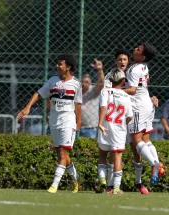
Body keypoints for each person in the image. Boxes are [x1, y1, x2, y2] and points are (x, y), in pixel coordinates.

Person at [17, 54, 82, 194]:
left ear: (68, 67)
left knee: (63, 152)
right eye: (57, 64)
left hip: (68, 120)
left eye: (60, 64)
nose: (57, 66)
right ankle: (76, 180)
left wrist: (79, 121)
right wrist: (28, 107)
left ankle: (54, 185)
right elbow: (38, 93)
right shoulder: (53, 81)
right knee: (61, 154)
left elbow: (78, 104)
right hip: (54, 120)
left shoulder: (76, 83)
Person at [124, 42, 165, 188]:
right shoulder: (144, 67)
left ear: (142, 56)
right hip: (147, 104)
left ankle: (154, 164)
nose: (134, 48)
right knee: (146, 139)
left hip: (138, 107)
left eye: (138, 49)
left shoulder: (134, 69)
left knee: (136, 139)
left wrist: (116, 91)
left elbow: (133, 90)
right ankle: (158, 163)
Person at [97, 68, 133, 195]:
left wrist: (100, 123)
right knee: (117, 157)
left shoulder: (105, 91)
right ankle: (116, 187)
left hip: (105, 127)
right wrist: (122, 124)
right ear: (124, 81)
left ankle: (102, 180)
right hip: (119, 131)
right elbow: (129, 116)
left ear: (110, 80)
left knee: (102, 154)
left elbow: (103, 107)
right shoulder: (126, 96)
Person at [80, 59, 104, 138]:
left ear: (90, 82)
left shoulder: (93, 90)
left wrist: (100, 70)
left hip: (90, 128)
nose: (85, 84)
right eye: (84, 82)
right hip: (77, 127)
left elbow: (101, 83)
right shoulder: (77, 92)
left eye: (87, 82)